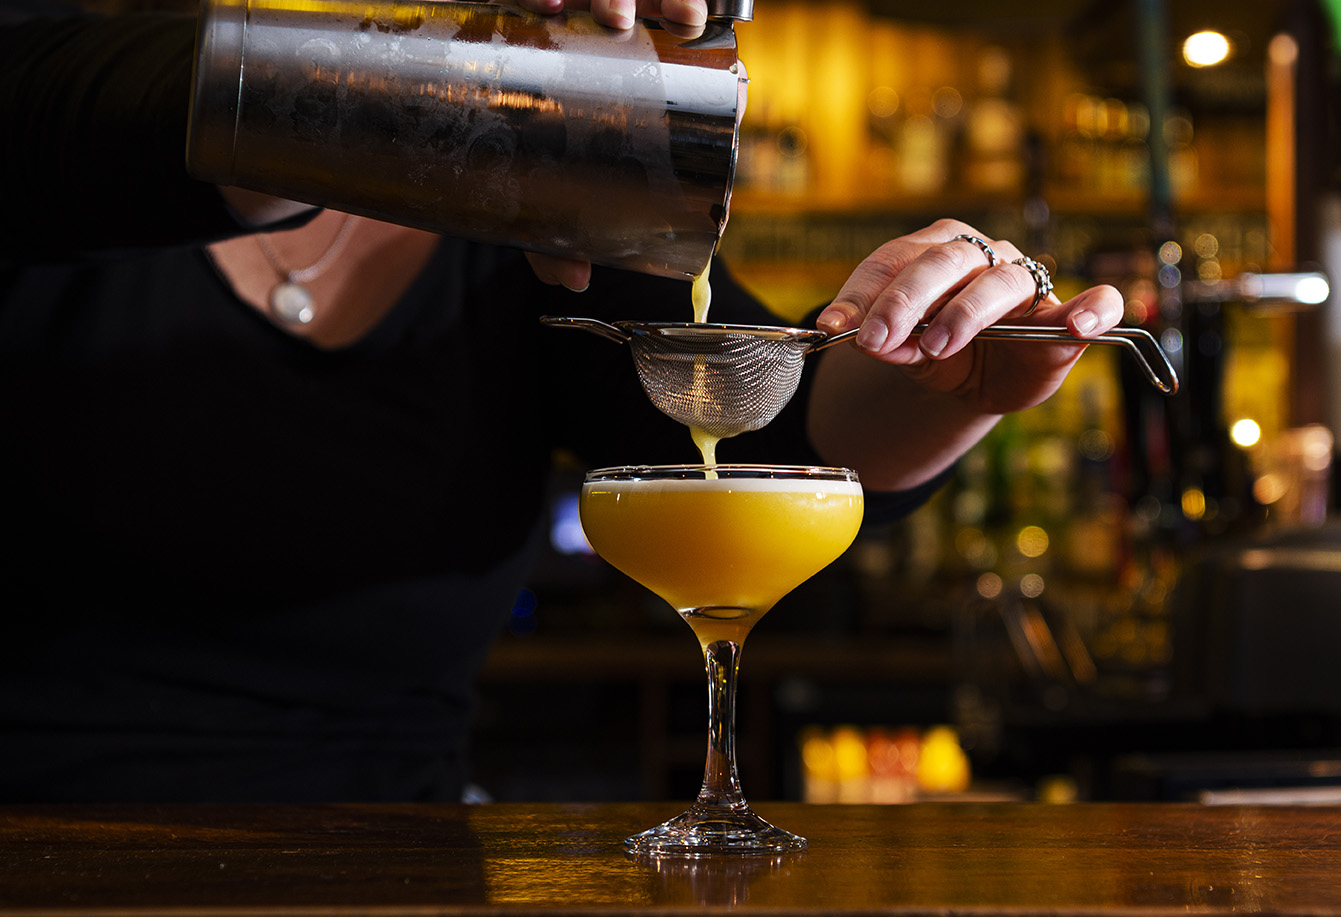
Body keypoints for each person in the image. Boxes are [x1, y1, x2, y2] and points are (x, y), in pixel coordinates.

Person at [0, 0, 1124, 802]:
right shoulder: (73, 93)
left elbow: (759, 437)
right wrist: (463, 65)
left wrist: (952, 369)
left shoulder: (535, 207)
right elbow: (76, 111)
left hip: (390, 874)